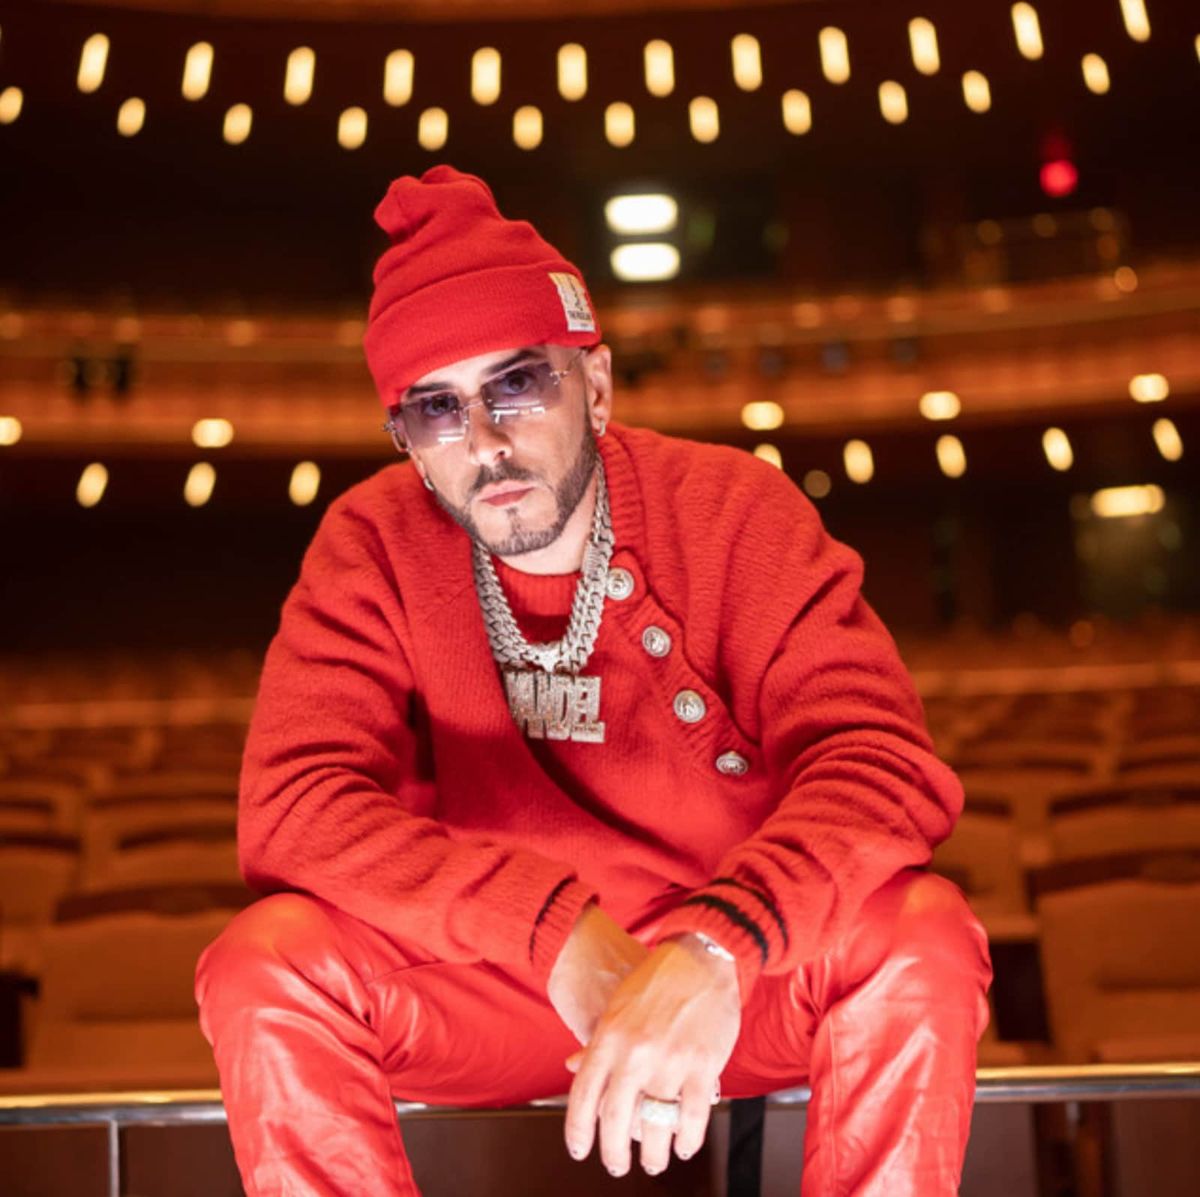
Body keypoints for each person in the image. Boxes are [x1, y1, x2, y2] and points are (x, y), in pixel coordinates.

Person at [195, 164, 992, 1196]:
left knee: (922, 934)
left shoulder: (736, 509)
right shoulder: (371, 542)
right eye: (436, 410)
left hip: (733, 985)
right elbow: (294, 807)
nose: (485, 443)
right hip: (502, 984)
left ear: (597, 385)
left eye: (517, 385)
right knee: (265, 962)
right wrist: (556, 934)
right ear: (408, 443)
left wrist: (718, 944)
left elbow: (881, 767)